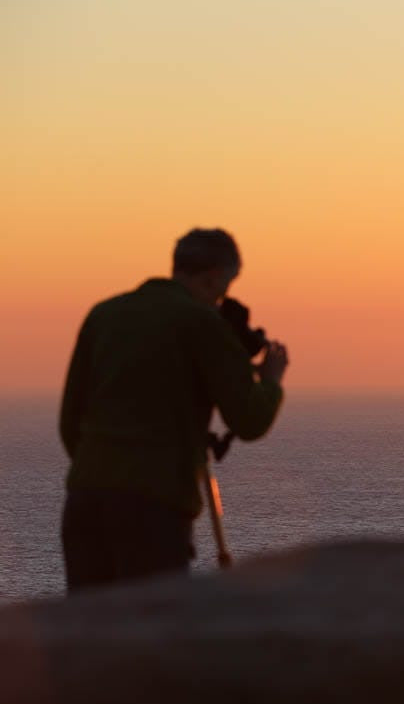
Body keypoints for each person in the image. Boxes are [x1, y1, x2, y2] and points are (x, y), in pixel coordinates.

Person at [58, 228, 289, 591]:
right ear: (213, 276)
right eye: (226, 284)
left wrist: (103, 471)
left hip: (86, 499)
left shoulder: (104, 315)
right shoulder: (202, 323)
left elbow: (70, 420)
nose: (223, 297)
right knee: (150, 635)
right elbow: (249, 420)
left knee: (88, 635)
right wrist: (271, 381)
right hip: (153, 508)